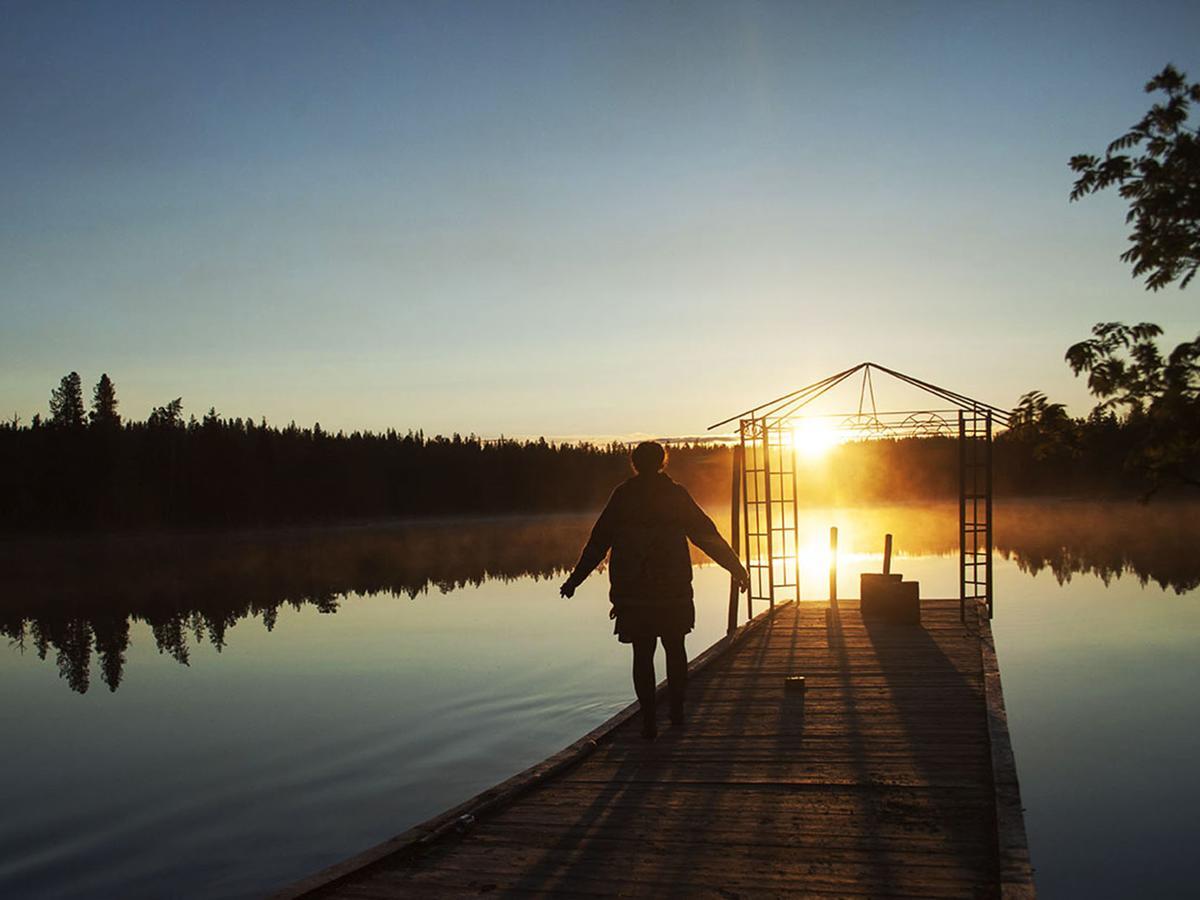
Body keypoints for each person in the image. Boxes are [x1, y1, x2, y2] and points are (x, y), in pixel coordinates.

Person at [560, 441, 750, 739]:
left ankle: (649, 721)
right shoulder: (675, 495)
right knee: (675, 649)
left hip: (633, 592)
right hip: (672, 589)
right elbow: (706, 536)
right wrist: (736, 568)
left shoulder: (623, 496)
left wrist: (575, 580)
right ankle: (676, 712)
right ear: (663, 462)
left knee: (642, 653)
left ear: (634, 463)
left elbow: (598, 543)